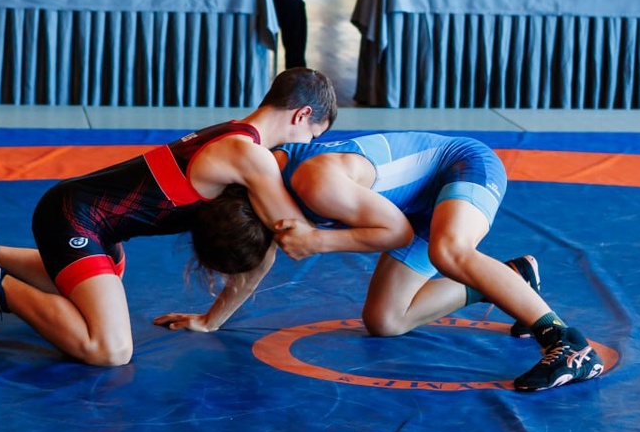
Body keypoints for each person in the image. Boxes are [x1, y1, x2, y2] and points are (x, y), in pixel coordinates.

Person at [0, 68, 338, 365]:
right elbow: (296, 238)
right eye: (312, 137)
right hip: (73, 218)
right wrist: (363, 225)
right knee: (111, 349)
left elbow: (272, 241)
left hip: (88, 220)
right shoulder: (249, 156)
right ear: (301, 115)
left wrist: (212, 321)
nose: (305, 148)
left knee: (103, 277)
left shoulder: (236, 134)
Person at [167, 132, 604, 392]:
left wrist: (318, 241)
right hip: (414, 208)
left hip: (462, 167)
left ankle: (568, 345)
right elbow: (257, 263)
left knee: (449, 251)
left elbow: (396, 234)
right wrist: (211, 320)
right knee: (385, 321)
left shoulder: (313, 182)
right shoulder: (259, 198)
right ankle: (512, 280)